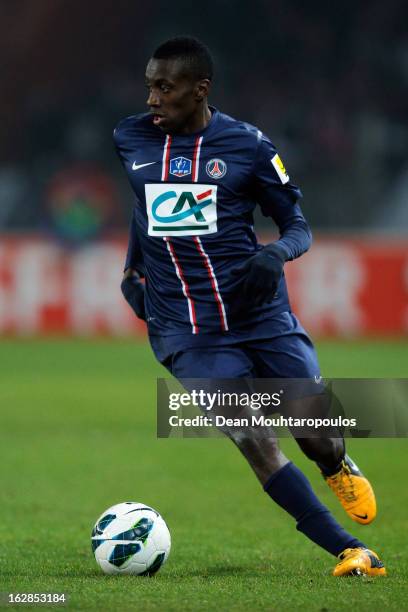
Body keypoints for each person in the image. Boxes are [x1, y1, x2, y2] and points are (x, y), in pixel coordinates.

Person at [114, 36, 385, 577]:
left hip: (261, 317)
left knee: (315, 432)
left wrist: (276, 256)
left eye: (165, 87)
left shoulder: (250, 147)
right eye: (149, 86)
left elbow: (298, 226)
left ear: (200, 90)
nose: (152, 99)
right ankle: (349, 550)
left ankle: (336, 462)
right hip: (188, 332)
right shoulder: (130, 138)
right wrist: (131, 271)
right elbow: (144, 206)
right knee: (254, 438)